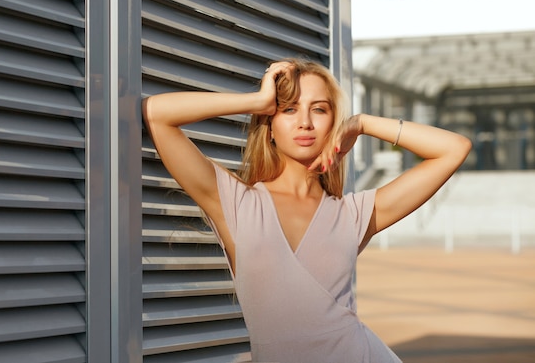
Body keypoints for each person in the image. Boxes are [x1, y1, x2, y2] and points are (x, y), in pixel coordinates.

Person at [142, 58, 471, 363]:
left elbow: (454, 149)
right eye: (288, 110)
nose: (305, 122)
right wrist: (256, 101)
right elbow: (157, 113)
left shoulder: (354, 214)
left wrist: (361, 123)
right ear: (269, 125)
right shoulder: (236, 201)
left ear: (332, 123)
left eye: (320, 110)